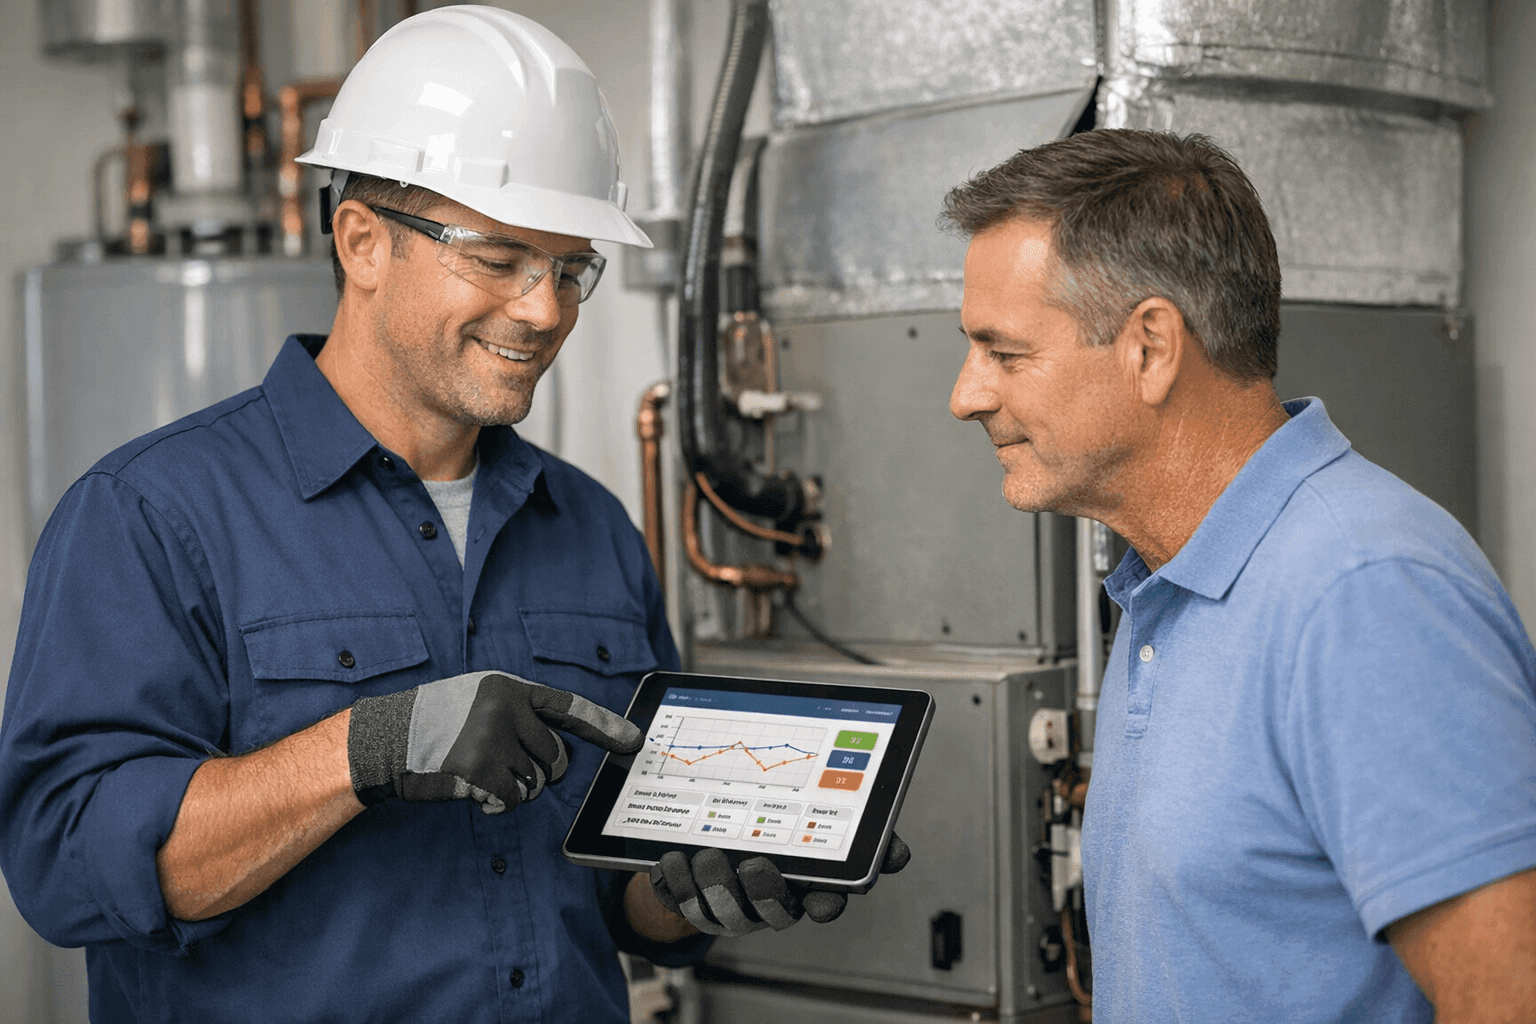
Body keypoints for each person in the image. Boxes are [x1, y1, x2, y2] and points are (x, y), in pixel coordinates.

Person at [0, 8, 874, 1021]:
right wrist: (365, 748)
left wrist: (692, 893)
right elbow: (70, 869)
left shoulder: (588, 527)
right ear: (362, 242)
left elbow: (612, 893)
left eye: (569, 269)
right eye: (499, 259)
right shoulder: (152, 515)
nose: (544, 310)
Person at [943, 128, 1536, 1022]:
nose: (967, 396)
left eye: (1006, 353)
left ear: (1150, 347)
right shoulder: (1164, 583)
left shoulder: (1362, 592)